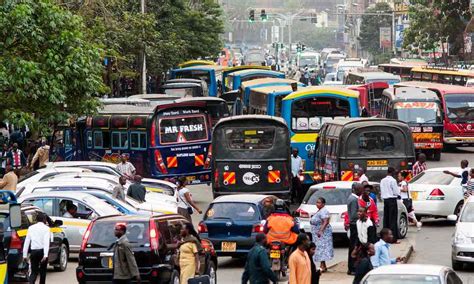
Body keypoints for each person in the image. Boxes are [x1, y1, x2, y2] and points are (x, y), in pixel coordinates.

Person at [23, 212, 52, 284]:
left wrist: (24, 255)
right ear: (44, 220)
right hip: (42, 251)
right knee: (43, 272)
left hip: (33, 252)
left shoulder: (31, 228)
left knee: (34, 272)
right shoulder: (46, 228)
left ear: (36, 220)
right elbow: (46, 242)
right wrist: (45, 255)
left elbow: (27, 241)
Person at [310, 197, 333, 272]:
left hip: (322, 234)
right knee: (319, 249)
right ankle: (323, 265)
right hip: (318, 234)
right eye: (317, 202)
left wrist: (321, 231)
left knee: (321, 249)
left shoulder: (324, 211)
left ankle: (322, 266)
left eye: (319, 202)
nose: (317, 204)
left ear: (323, 204)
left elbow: (326, 221)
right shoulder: (320, 210)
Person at [380, 167, 400, 243]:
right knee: (393, 220)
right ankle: (393, 239)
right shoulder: (393, 180)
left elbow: (382, 191)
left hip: (386, 200)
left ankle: (385, 239)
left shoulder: (382, 180)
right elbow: (396, 191)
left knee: (386, 219)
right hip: (392, 200)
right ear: (392, 172)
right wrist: (398, 194)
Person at [346, 183, 362, 275]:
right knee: (354, 246)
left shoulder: (354, 198)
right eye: (361, 189)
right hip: (354, 225)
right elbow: (352, 215)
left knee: (355, 245)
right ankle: (352, 268)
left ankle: (352, 267)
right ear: (356, 189)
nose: (362, 191)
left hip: (355, 225)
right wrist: (362, 213)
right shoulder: (353, 199)